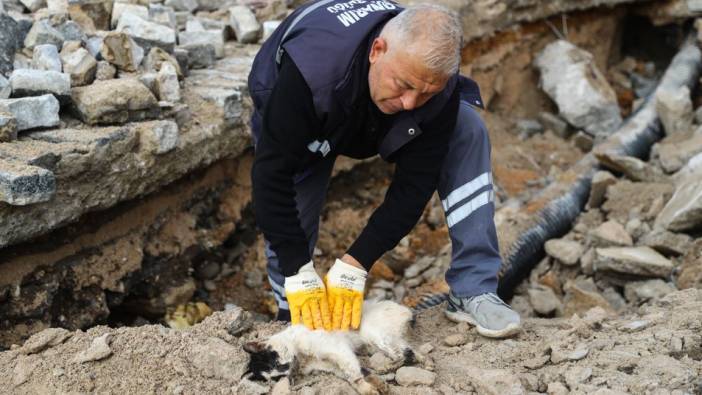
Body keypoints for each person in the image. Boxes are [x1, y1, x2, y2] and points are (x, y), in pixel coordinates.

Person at [247, 0, 521, 338]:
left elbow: (414, 187)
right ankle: (295, 310)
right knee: (294, 216)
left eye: (426, 93)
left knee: (467, 130)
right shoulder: (308, 74)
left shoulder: (433, 84)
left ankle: (473, 288)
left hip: (363, 107)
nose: (409, 104)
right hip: (318, 108)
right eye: (404, 85)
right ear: (378, 50)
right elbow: (270, 178)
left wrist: (357, 262)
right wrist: (297, 269)